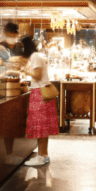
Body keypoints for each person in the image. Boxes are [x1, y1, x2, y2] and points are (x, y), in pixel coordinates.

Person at [19, 36, 58, 166]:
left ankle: (40, 157)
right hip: (44, 92)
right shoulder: (38, 56)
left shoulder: (35, 56)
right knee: (44, 127)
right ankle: (44, 155)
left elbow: (37, 75)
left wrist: (26, 70)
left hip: (39, 94)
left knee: (40, 127)